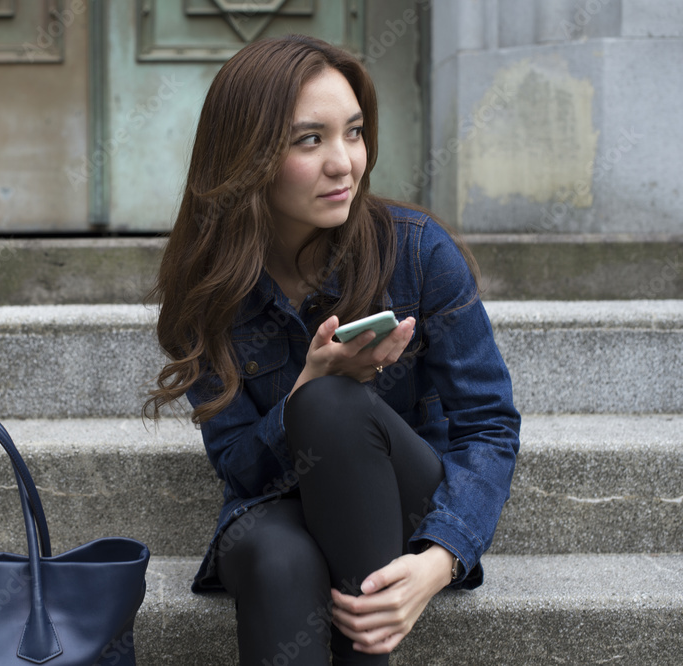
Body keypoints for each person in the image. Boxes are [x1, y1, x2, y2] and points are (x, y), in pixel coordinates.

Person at [145, 34, 520, 665]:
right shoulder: (209, 288)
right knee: (278, 555)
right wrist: (303, 386)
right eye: (308, 139)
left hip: (402, 499)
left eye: (353, 132)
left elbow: (489, 425)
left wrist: (437, 562)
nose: (344, 162)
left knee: (334, 405)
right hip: (275, 507)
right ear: (245, 156)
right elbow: (240, 468)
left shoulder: (418, 253)